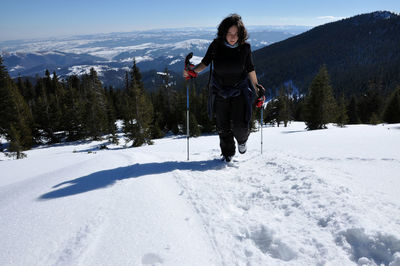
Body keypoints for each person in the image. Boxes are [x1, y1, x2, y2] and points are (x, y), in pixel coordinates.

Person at [183, 14, 265, 162]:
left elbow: (250, 69)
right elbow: (205, 63)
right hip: (219, 90)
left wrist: (258, 90)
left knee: (240, 126)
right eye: (230, 33)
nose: (233, 37)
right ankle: (227, 155)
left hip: (239, 90)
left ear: (241, 34)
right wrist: (192, 71)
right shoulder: (216, 46)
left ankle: (242, 141)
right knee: (223, 127)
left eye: (236, 34)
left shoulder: (245, 48)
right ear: (224, 32)